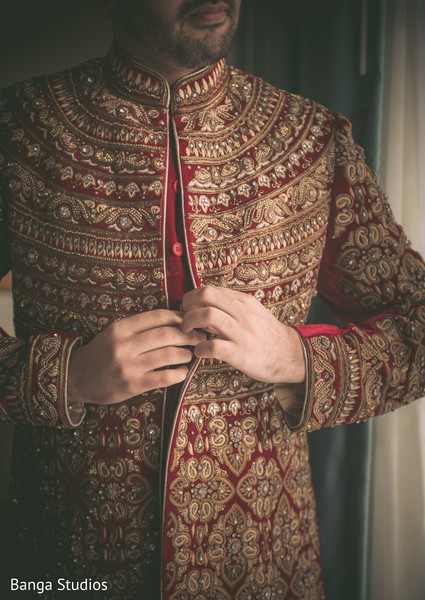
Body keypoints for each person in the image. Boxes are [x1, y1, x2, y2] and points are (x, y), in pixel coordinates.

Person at [0, 0, 424, 598]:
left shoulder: (310, 139)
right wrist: (65, 376)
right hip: (64, 570)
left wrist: (299, 361)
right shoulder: (19, 128)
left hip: (262, 569)